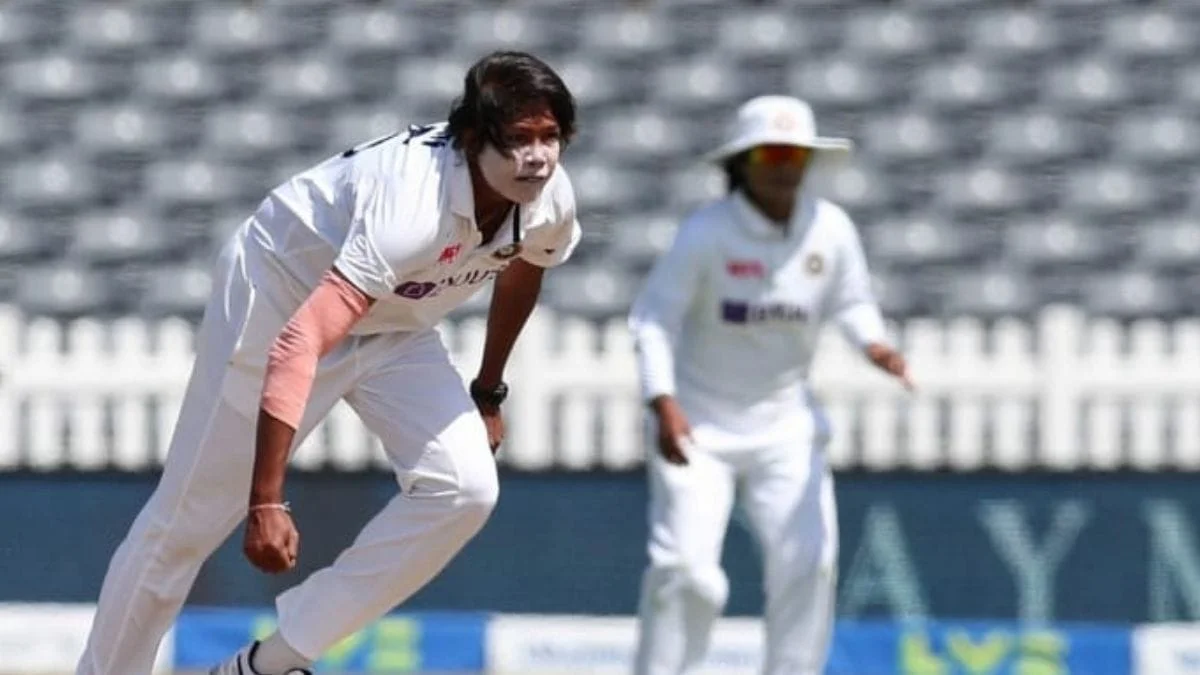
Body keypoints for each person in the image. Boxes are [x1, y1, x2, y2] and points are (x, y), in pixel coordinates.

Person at [75, 50, 580, 675]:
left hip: (394, 319)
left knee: (465, 490)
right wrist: (267, 500)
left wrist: (488, 390)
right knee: (185, 527)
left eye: (551, 137)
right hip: (281, 294)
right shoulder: (412, 205)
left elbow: (526, 266)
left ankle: (265, 665)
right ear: (474, 137)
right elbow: (300, 339)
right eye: (520, 139)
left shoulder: (550, 197)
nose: (539, 158)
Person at [627, 95, 912, 675]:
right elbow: (653, 320)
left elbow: (852, 302)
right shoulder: (706, 234)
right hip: (699, 425)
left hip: (786, 424)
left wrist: (874, 344)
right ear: (742, 162)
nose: (784, 168)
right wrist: (663, 402)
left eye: (795, 155)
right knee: (687, 574)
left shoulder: (830, 228)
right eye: (770, 154)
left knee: (809, 563)